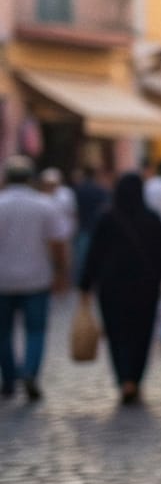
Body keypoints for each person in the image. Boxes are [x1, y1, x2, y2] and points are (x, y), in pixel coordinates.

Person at [80, 173, 161, 404]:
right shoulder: (152, 218)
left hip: (111, 288)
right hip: (145, 287)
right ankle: (134, 378)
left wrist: (85, 285)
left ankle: (124, 378)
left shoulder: (106, 218)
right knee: (141, 334)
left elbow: (93, 255)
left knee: (117, 334)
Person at [0, 156, 69, 401]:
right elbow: (59, 242)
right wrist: (62, 272)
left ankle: (8, 379)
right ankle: (30, 372)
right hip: (36, 278)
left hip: (3, 279)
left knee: (3, 332)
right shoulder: (44, 205)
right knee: (36, 330)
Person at [71, 166, 107, 283]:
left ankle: (82, 281)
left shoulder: (78, 190)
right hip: (97, 227)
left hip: (83, 227)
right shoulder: (100, 190)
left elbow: (73, 210)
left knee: (82, 258)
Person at [37, 168, 76, 240]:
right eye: (48, 184)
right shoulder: (39, 197)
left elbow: (72, 213)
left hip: (65, 232)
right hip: (46, 233)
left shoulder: (66, 194)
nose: (50, 186)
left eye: (53, 183)